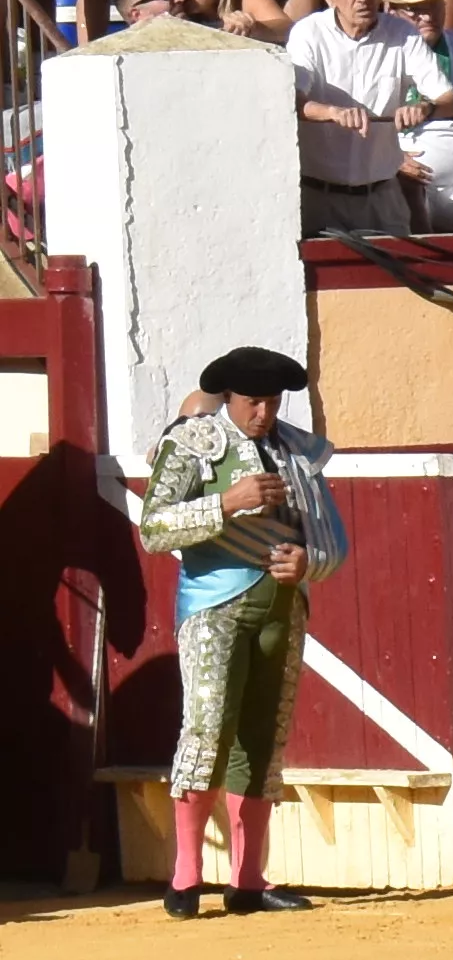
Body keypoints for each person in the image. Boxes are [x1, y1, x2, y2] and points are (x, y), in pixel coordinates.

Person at [137, 347, 345, 920]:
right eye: (254, 401)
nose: (264, 412)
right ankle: (185, 878)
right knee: (207, 732)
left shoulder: (297, 451)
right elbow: (152, 526)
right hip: (212, 606)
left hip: (282, 608)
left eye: (272, 401)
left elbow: (333, 539)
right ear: (229, 397)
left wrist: (309, 561)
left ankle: (249, 882)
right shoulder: (191, 445)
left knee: (264, 740)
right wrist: (227, 502)